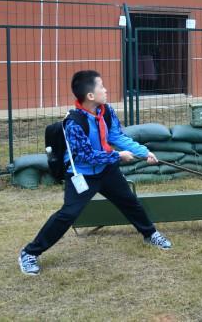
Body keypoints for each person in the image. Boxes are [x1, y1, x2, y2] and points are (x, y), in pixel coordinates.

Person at [18, 70, 172, 275]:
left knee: (129, 201)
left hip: (106, 170)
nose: (106, 90)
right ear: (90, 95)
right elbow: (86, 156)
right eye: (101, 86)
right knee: (68, 214)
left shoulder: (106, 111)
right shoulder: (74, 123)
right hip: (82, 173)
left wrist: (145, 153)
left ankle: (150, 233)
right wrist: (118, 157)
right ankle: (29, 253)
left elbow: (117, 136)